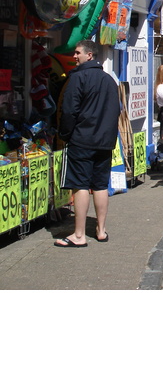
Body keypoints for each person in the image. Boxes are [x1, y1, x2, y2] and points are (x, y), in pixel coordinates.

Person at [55, 40, 121, 247]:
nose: (74, 57)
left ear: (89, 55)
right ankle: (101, 230)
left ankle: (79, 234)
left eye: (77, 53)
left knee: (80, 185)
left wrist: (65, 134)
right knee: (100, 184)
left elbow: (69, 111)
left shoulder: (78, 78)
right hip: (104, 141)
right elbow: (116, 111)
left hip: (82, 139)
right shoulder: (109, 80)